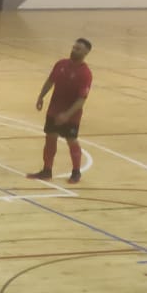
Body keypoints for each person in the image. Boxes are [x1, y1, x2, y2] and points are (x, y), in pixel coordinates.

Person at [27, 38, 93, 184]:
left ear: (86, 53)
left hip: (71, 115)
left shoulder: (85, 74)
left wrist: (67, 115)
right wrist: (41, 96)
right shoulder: (61, 64)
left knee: (71, 140)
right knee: (50, 138)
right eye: (74, 47)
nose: (74, 50)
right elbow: (50, 81)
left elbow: (82, 99)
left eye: (78, 49)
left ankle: (76, 172)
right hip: (54, 110)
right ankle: (47, 170)